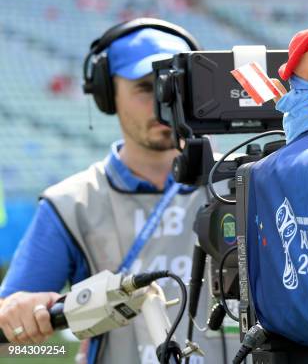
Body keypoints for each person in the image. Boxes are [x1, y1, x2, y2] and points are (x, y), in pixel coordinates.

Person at [0, 18, 239, 364]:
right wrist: (16, 313)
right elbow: (8, 334)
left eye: (176, 85)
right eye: (146, 88)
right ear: (106, 94)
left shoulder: (244, 183)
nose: (164, 102)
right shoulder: (71, 203)